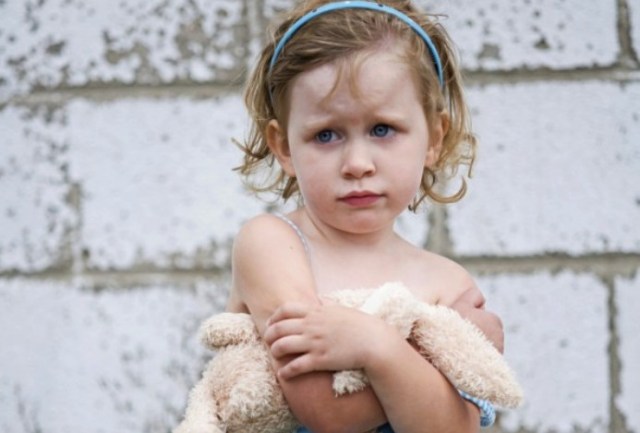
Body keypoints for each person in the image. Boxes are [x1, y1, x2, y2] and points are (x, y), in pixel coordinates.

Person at [225, 1, 505, 432]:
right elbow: (326, 411)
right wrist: (396, 347)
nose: (357, 163)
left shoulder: (447, 281)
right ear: (283, 147)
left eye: (382, 129)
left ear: (434, 137)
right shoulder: (273, 244)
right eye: (326, 135)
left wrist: (382, 353)